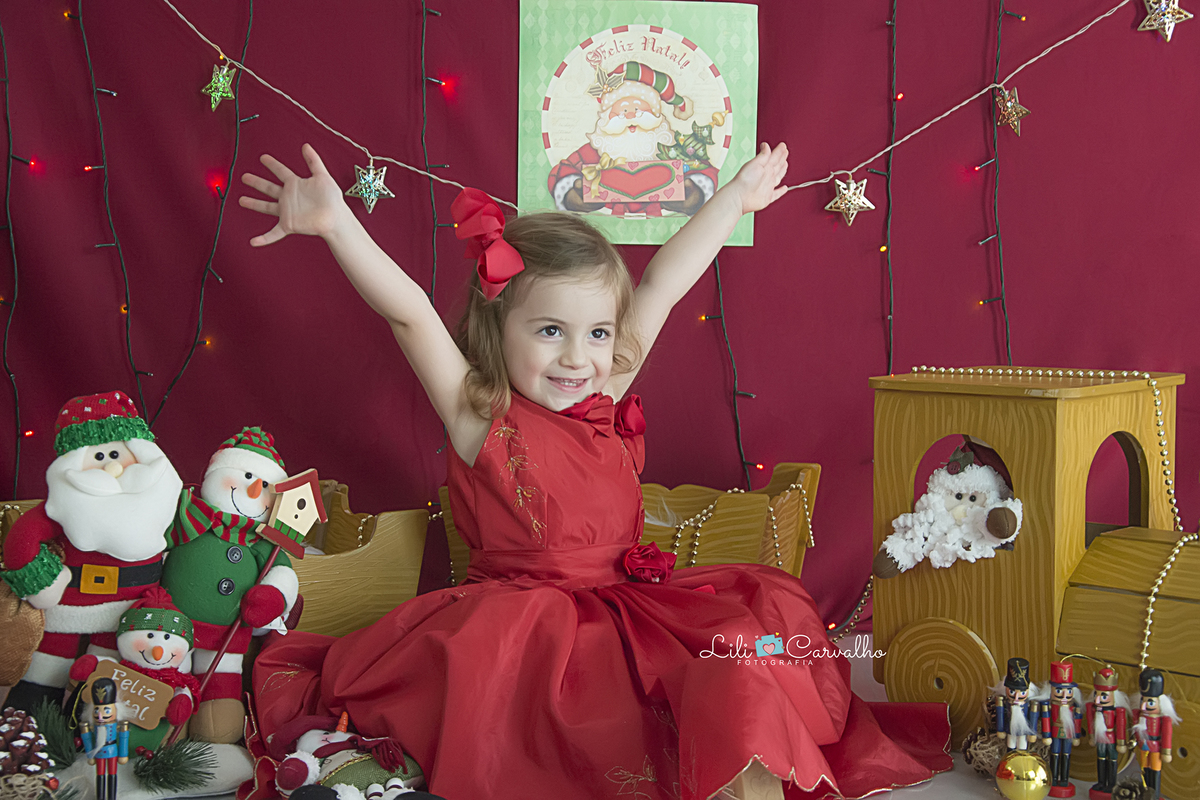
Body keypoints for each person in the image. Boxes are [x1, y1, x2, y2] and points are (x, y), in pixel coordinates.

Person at [237, 142, 951, 800]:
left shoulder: (602, 394)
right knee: (568, 728)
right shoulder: (479, 414)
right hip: (522, 630)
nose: (578, 358)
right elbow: (412, 315)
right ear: (499, 326)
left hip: (631, 607)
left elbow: (666, 283)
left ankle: (743, 772)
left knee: (746, 645)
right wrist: (336, 224)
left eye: (598, 334)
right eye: (550, 331)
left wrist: (732, 198)